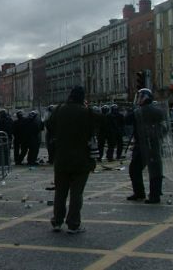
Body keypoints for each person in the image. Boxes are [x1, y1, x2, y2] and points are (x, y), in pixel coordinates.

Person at [47, 86, 97, 234]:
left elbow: (49, 126)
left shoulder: (59, 109)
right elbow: (92, 139)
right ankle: (73, 224)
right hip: (81, 161)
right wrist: (94, 160)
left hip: (62, 159)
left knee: (60, 192)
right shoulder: (86, 113)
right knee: (76, 194)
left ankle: (57, 221)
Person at [126, 88, 166, 204]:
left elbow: (126, 120)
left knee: (136, 169)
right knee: (155, 170)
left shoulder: (140, 111)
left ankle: (143, 193)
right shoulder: (158, 111)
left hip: (143, 145)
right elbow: (165, 127)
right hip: (153, 144)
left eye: (139, 97)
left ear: (145, 98)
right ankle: (154, 194)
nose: (138, 99)